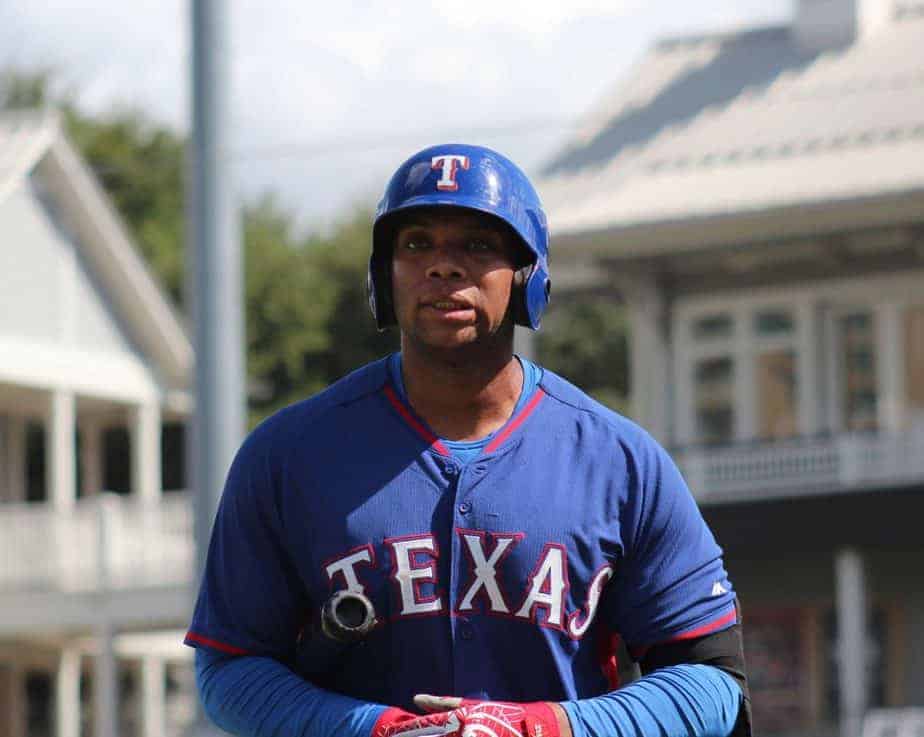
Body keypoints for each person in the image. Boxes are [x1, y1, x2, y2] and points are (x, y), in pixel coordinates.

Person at [186, 144, 751, 737]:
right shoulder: (287, 454)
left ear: (526, 274)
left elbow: (710, 678)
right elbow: (231, 665)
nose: (443, 266)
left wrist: (549, 729)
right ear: (385, 275)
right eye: (416, 244)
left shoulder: (621, 462)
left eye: (477, 245)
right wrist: (372, 730)